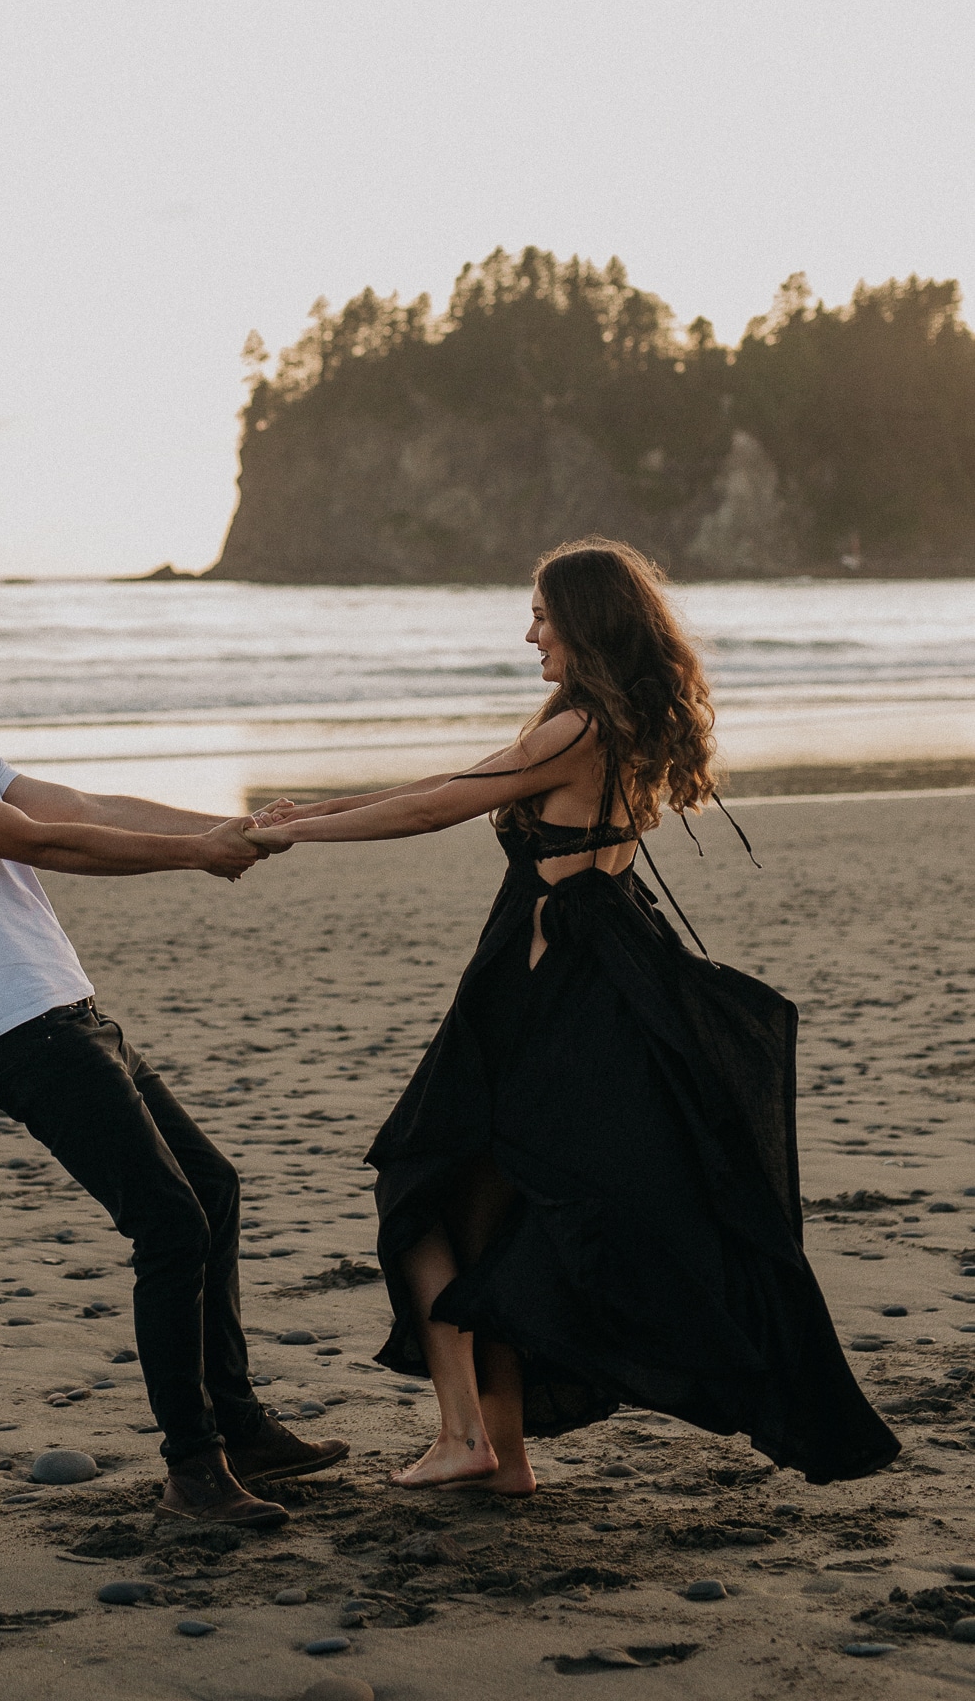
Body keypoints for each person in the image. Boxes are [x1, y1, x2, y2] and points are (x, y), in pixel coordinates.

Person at [250, 540, 899, 1493]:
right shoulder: (611, 720)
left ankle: (467, 1436)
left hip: (534, 990)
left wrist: (293, 836)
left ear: (584, 623)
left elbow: (437, 812)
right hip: (593, 974)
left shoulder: (577, 727)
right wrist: (311, 809)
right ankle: (496, 1454)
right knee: (490, 1213)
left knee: (418, 1186)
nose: (528, 633)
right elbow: (443, 788)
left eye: (543, 617)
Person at [0, 579, 347, 1527]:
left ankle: (240, 1428)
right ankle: (193, 1470)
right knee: (168, 1224)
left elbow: (86, 799)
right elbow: (54, 843)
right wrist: (197, 858)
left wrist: (221, 827)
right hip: (17, 1031)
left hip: (74, 1015)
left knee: (213, 1189)